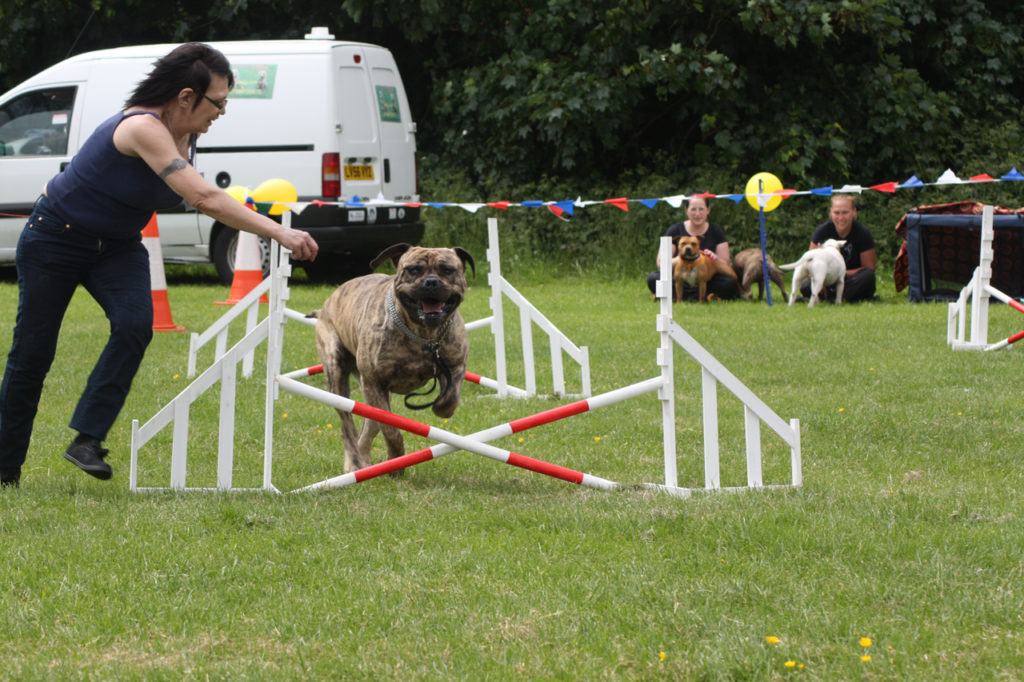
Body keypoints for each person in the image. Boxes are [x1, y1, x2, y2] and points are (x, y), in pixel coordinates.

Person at [0, 43, 318, 488]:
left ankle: (87, 440)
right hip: (56, 237)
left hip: (116, 245)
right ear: (186, 96)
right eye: (218, 102)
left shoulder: (188, 133)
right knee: (33, 355)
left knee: (134, 325)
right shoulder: (142, 127)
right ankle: (5, 469)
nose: (222, 112)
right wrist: (278, 231)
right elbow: (204, 198)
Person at [645, 194, 740, 301]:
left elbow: (725, 263)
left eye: (701, 209)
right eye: (693, 209)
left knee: (729, 284)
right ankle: (704, 296)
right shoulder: (674, 230)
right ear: (686, 210)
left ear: (708, 210)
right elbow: (660, 264)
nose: (697, 214)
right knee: (654, 278)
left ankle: (675, 296)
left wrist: (715, 257)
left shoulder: (716, 231)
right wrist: (681, 258)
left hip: (706, 280)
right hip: (680, 278)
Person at [799, 194, 877, 302]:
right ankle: (837, 296)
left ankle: (831, 297)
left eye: (845, 213)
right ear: (831, 213)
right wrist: (820, 277)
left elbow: (869, 268)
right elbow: (809, 265)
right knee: (805, 285)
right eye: (837, 213)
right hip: (826, 278)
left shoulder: (863, 233)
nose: (841, 218)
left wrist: (839, 273)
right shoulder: (822, 232)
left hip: (851, 278)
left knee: (868, 277)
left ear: (854, 212)